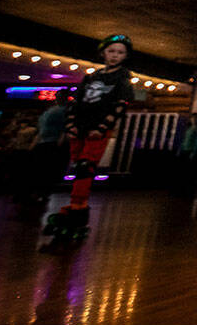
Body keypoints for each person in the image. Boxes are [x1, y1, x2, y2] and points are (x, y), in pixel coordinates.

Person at [44, 35, 135, 239]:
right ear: (103, 52)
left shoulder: (123, 79)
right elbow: (75, 103)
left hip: (97, 129)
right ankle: (75, 206)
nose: (115, 56)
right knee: (78, 167)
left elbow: (120, 106)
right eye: (111, 51)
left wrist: (103, 127)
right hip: (80, 126)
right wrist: (70, 125)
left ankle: (78, 206)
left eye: (120, 52)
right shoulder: (91, 77)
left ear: (126, 56)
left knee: (86, 167)